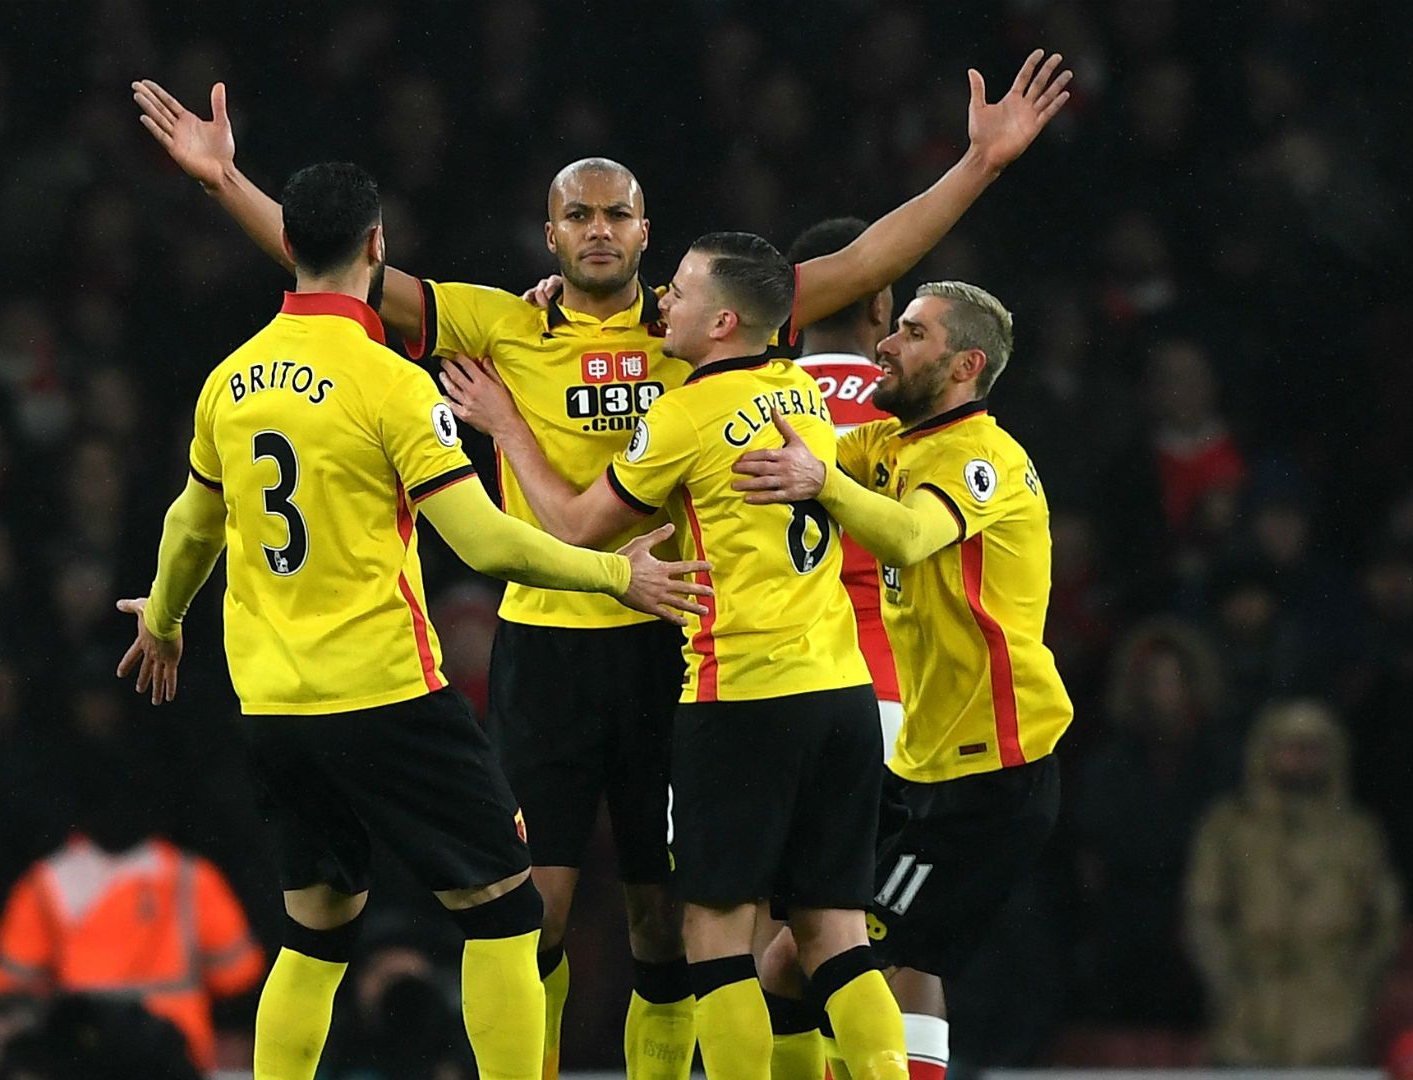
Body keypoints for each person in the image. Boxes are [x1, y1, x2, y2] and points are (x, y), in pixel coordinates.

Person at [131, 50, 1068, 1080]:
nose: (598, 230)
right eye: (579, 215)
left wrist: (979, 166)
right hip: (549, 649)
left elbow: (866, 261)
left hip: (674, 651)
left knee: (665, 930)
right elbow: (342, 268)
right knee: (537, 914)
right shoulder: (503, 322)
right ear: (551, 234)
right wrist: (225, 181)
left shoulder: (701, 323)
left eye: (617, 214)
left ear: (646, 233)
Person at [112, 161, 710, 1080]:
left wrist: (162, 616)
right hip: (390, 697)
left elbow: (192, 523)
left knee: (313, 938)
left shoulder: (227, 383)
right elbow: (487, 545)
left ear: (288, 250)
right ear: (378, 247)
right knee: (508, 917)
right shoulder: (392, 387)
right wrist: (612, 574)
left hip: (275, 708)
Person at [442, 232, 909, 1080]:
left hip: (741, 697)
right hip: (842, 692)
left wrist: (507, 423)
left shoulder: (685, 414)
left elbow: (579, 527)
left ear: (724, 321)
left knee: (714, 940)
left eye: (682, 293)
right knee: (833, 935)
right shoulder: (800, 391)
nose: (664, 303)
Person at [731, 282, 1072, 1080]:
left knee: (805, 961)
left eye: (913, 334)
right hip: (925, 768)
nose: (887, 345)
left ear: (964, 366)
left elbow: (914, 535)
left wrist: (823, 484)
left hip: (990, 779)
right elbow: (801, 449)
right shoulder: (894, 442)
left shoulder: (979, 456)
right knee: (807, 962)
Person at [754, 218, 903, 1079]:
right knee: (863, 943)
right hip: (892, 703)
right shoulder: (909, 410)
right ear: (882, 303)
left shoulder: (741, 399)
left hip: (758, 693)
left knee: (736, 944)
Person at [0, 765, 268, 1074]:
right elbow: (240, 973)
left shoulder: (50, 878)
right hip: (174, 1051)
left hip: (85, 1050)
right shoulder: (190, 876)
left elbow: (5, 983)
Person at [1183, 699, 1402, 1066]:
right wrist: (1227, 984)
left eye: (1314, 747)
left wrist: (1356, 989)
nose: (1302, 757)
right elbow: (1202, 913)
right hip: (1247, 1017)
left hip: (1333, 1020)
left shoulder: (1357, 832)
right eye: (1290, 745)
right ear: (1264, 751)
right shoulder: (1228, 827)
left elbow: (1385, 920)